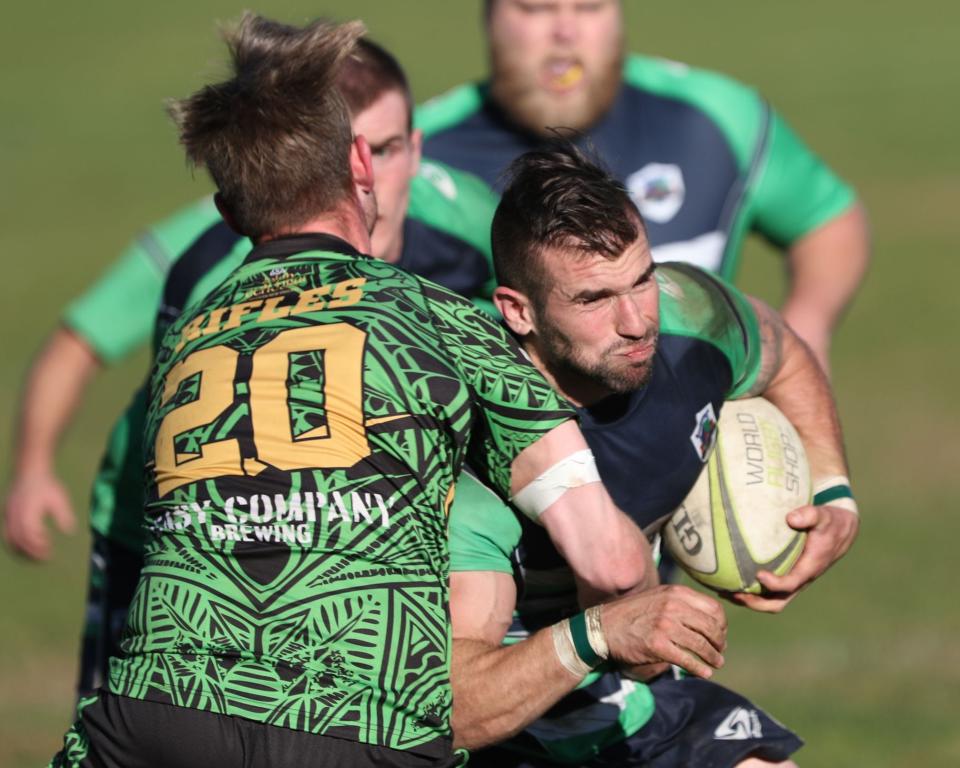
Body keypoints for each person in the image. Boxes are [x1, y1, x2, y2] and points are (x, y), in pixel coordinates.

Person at [50, 16, 699, 768]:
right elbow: (609, 563)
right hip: (359, 722)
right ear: (362, 163)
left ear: (232, 215)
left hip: (149, 721)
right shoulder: (452, 324)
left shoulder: (188, 339)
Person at [42, 36, 503, 699]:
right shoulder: (216, 277)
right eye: (351, 156)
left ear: (417, 148)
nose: (370, 179)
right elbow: (225, 472)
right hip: (179, 522)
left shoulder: (471, 222)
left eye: (391, 148)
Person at [444, 143, 860, 766]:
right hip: (507, 693)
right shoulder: (474, 445)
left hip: (627, 676)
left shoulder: (691, 317)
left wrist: (832, 490)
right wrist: (602, 632)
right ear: (518, 312)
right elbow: (457, 707)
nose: (637, 321)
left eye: (642, 279)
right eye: (594, 299)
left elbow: (782, 349)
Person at [416, 0, 870, 376]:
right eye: (537, 8)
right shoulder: (416, 156)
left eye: (590, 7)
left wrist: (807, 331)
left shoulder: (713, 119)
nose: (565, 31)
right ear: (490, 16)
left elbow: (825, 218)